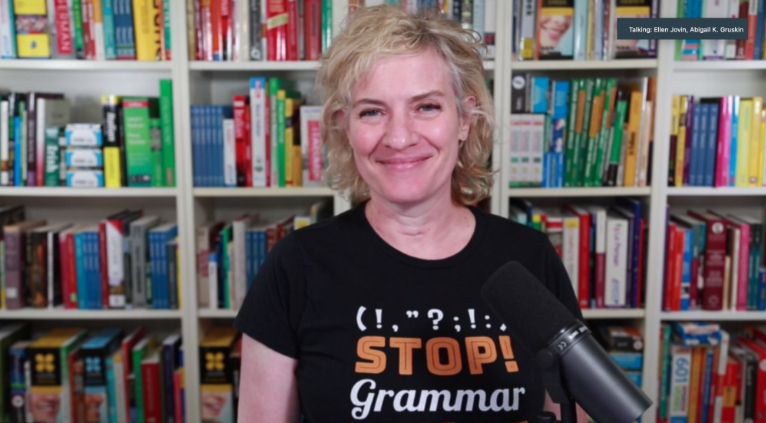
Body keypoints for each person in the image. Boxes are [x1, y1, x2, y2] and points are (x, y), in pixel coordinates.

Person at [235, 5, 588, 422]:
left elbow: (572, 413)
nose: (399, 137)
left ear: (464, 119)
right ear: (345, 127)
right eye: (372, 111)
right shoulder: (297, 265)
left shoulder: (529, 259)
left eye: (426, 107)